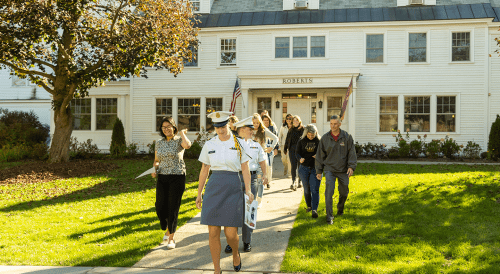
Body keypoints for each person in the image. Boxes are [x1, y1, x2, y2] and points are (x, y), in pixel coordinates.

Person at [196, 111, 254, 274]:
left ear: (229, 123)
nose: (220, 130)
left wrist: (248, 190)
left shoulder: (240, 143)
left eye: (222, 126)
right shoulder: (210, 144)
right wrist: (199, 192)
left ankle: (235, 253)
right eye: (216, 127)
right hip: (214, 187)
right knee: (213, 232)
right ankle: (216, 269)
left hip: (233, 187)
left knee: (230, 234)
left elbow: (245, 168)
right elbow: (204, 169)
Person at [224, 116, 268, 254]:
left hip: (253, 178)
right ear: (242, 129)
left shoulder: (256, 144)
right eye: (250, 129)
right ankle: (231, 242)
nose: (252, 131)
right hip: (235, 178)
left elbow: (262, 160)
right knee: (232, 211)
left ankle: (247, 241)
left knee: (249, 209)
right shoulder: (230, 144)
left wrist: (265, 174)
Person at [151, 116, 192, 249]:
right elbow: (157, 160)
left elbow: (188, 145)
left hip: (177, 176)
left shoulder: (180, 140)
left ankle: (171, 238)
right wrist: (154, 168)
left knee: (173, 207)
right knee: (160, 206)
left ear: (174, 127)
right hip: (162, 176)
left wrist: (181, 134)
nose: (166, 129)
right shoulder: (159, 142)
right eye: (164, 127)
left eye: (169, 127)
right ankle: (166, 227)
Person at [315, 115, 357, 225]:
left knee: (344, 192)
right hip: (330, 169)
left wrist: (351, 167)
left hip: (343, 170)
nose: (333, 126)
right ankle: (329, 216)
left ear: (339, 124)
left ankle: (340, 208)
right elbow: (320, 155)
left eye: (335, 124)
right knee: (329, 192)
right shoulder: (325, 138)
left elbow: (352, 153)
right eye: (331, 124)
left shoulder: (347, 137)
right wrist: (319, 171)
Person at [251, 114, 278, 205]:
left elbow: (275, 138)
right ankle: (253, 198)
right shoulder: (249, 131)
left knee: (260, 180)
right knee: (252, 180)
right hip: (251, 159)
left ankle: (259, 200)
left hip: (261, 159)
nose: (255, 125)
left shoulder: (263, 131)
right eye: (254, 123)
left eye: (257, 123)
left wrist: (271, 147)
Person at [296, 124, 321, 219]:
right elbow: (297, 153)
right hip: (304, 168)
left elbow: (324, 153)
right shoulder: (301, 141)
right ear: (306, 133)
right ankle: (309, 207)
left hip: (315, 168)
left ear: (316, 134)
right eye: (309, 135)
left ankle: (314, 210)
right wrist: (300, 158)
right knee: (307, 189)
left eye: (313, 135)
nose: (311, 137)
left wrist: (318, 156)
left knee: (315, 189)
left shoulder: (319, 141)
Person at [284, 115, 304, 191]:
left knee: (300, 166)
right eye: (294, 121)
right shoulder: (290, 130)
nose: (295, 122)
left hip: (300, 150)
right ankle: (293, 181)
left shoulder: (303, 129)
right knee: (293, 166)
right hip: (292, 150)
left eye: (297, 121)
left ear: (299, 122)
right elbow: (287, 139)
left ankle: (300, 181)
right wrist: (285, 148)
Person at [261, 113, 279, 189]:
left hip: (269, 150)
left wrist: (275, 148)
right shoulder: (260, 129)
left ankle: (268, 181)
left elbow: (276, 138)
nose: (266, 122)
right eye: (264, 120)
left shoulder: (272, 128)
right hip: (262, 150)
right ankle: (262, 180)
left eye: (267, 120)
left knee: (269, 166)